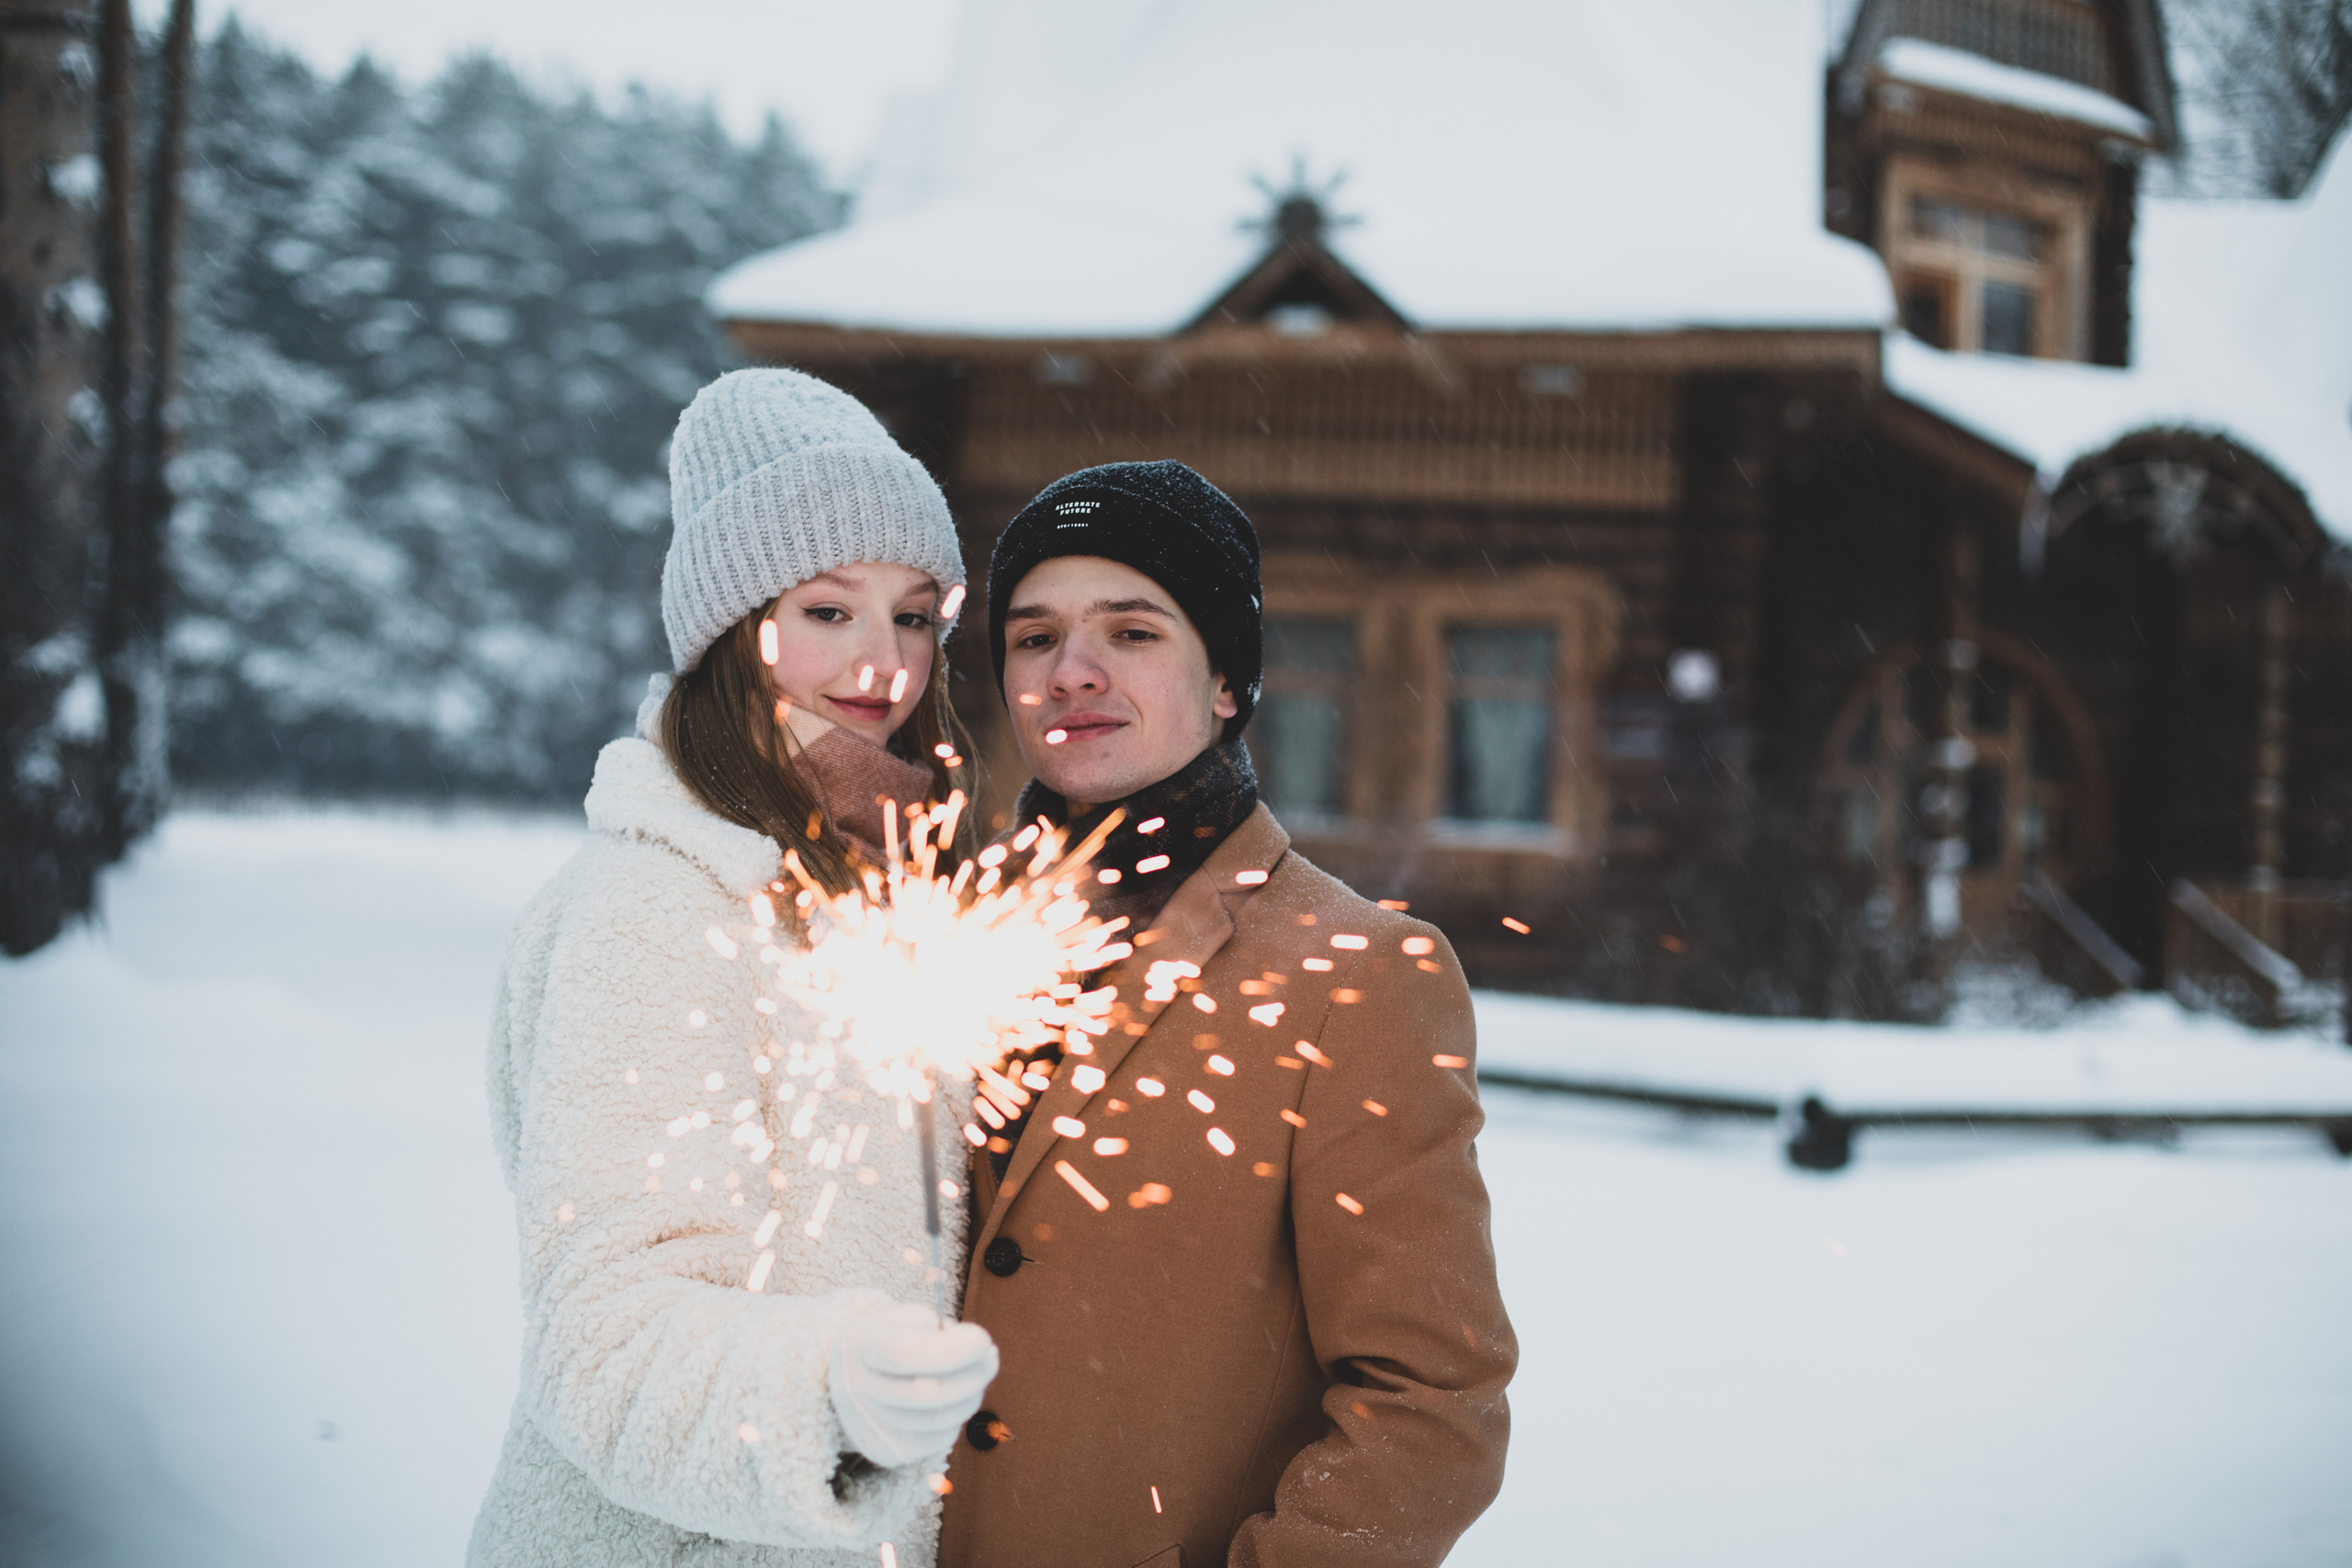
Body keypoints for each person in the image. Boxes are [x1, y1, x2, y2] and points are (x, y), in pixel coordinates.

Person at [940, 461, 1517, 1568]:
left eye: (1133, 631)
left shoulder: (1360, 976)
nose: (1072, 672)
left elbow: (1432, 1399)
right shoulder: (938, 932)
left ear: (1224, 684)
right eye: (1033, 636)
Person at [469, 369, 1001, 1567]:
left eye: (914, 613)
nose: (883, 662)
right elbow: (605, 1338)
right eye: (828, 609)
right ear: (729, 628)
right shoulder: (660, 898)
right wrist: (831, 1392)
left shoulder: (892, 883)